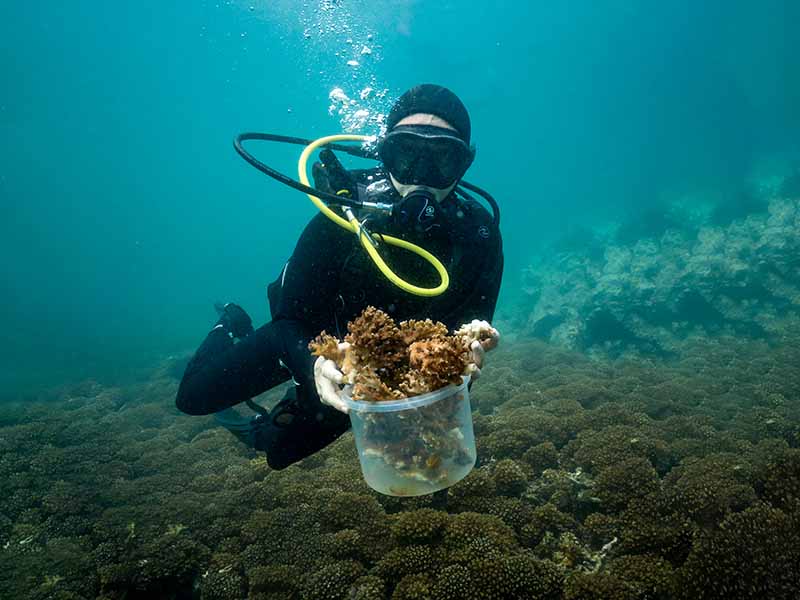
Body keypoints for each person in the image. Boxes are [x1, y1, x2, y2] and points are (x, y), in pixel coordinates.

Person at [176, 84, 504, 470]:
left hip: (372, 366)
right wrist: (311, 364)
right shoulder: (344, 214)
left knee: (278, 454)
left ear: (464, 163)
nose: (421, 176)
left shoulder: (478, 237)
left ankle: (285, 412)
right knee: (193, 399)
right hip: (301, 336)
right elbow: (291, 316)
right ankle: (231, 324)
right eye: (406, 155)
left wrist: (467, 354)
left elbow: (469, 329)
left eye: (443, 158)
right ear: (385, 153)